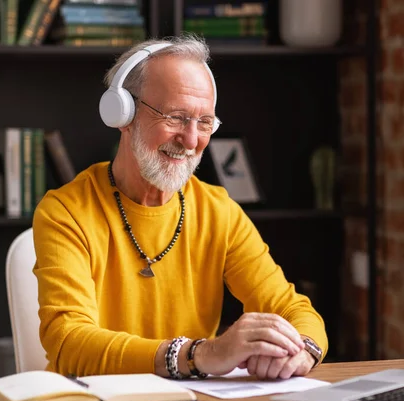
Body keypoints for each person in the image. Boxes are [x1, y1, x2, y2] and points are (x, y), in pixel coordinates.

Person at [32, 35, 327, 381]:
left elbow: (294, 309)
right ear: (122, 114)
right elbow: (69, 343)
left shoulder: (219, 212)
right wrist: (201, 354)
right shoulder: (65, 211)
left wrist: (300, 349)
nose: (191, 141)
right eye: (175, 117)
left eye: (204, 122)